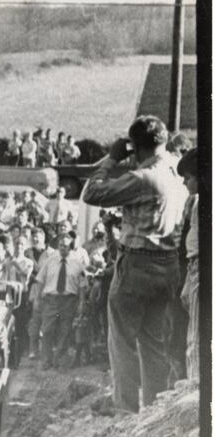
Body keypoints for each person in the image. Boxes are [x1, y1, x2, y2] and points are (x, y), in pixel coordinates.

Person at [82, 116, 189, 412]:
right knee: (153, 340)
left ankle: (124, 405)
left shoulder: (144, 177)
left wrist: (112, 159)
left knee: (122, 338)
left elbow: (91, 193)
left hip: (137, 264)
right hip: (168, 265)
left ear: (136, 147)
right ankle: (153, 405)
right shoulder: (174, 170)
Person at [31, 225, 87, 369]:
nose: (63, 249)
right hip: (51, 300)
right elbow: (40, 280)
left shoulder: (77, 263)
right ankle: (46, 360)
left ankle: (60, 360)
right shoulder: (50, 260)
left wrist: (81, 302)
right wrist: (37, 299)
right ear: (58, 246)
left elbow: (82, 285)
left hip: (68, 300)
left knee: (65, 331)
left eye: (67, 246)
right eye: (61, 246)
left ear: (71, 247)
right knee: (47, 330)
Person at [178, 149, 200, 385]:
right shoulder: (195, 202)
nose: (185, 182)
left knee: (197, 335)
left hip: (203, 267)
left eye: (188, 177)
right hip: (194, 266)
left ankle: (197, 387)